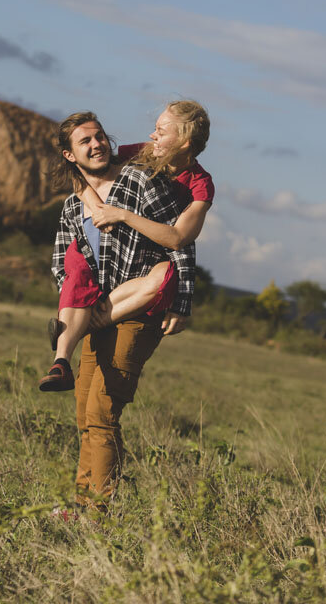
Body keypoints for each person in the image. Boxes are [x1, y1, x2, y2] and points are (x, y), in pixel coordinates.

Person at [47, 111, 196, 511]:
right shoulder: (72, 208)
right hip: (100, 310)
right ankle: (79, 505)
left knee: (103, 412)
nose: (97, 145)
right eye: (85, 142)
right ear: (69, 155)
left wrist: (182, 303)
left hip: (140, 311)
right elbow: (61, 264)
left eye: (100, 137)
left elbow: (179, 240)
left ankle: (100, 512)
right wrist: (77, 301)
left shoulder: (141, 180)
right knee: (84, 412)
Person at [39, 100, 213, 392]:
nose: (152, 135)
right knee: (75, 263)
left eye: (160, 130)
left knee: (163, 273)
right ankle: (67, 351)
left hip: (146, 272)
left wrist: (182, 305)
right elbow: (84, 172)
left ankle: (85, 325)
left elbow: (179, 240)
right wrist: (97, 208)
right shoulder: (140, 154)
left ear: (184, 142)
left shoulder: (200, 184)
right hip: (116, 261)